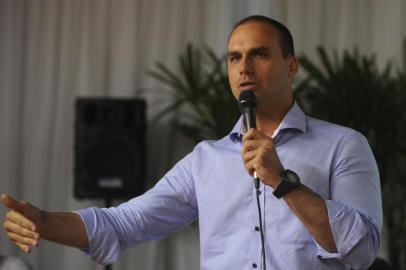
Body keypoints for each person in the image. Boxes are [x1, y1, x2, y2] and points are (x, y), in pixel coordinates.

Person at [1, 15, 382, 270]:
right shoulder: (206, 160)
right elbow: (126, 222)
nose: (244, 67)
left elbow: (362, 251)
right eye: (234, 58)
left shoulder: (344, 146)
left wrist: (283, 182)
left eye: (259, 54)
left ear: (292, 65)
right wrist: (44, 221)